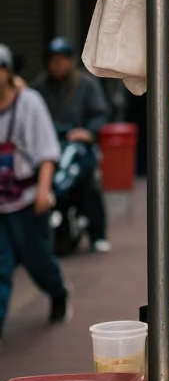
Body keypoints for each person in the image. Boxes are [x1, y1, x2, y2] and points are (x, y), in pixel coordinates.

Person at [0, 43, 72, 342]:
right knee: (0, 268)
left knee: (38, 260)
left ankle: (58, 292)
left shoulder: (29, 103)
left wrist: (44, 190)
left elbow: (47, 152)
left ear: (6, 72)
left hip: (29, 202)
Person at [34, 37, 111, 252]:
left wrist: (87, 132)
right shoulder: (40, 87)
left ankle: (98, 235)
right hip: (49, 148)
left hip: (79, 149)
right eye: (52, 60)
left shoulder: (86, 84)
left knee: (89, 186)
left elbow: (100, 114)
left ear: (70, 61)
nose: (57, 65)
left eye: (61, 60)